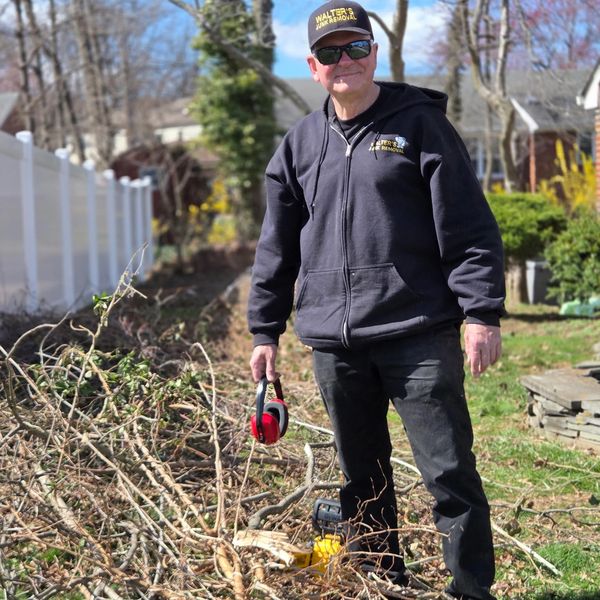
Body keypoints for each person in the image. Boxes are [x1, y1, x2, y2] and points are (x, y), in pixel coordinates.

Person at [247, 1, 505, 598]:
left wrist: (481, 311)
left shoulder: (420, 125)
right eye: (331, 53)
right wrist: (265, 331)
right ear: (313, 67)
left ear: (374, 53)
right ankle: (382, 585)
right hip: (336, 345)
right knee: (361, 481)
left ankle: (470, 591)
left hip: (417, 332)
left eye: (355, 47)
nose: (345, 61)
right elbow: (275, 247)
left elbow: (467, 225)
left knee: (448, 475)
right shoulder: (299, 145)